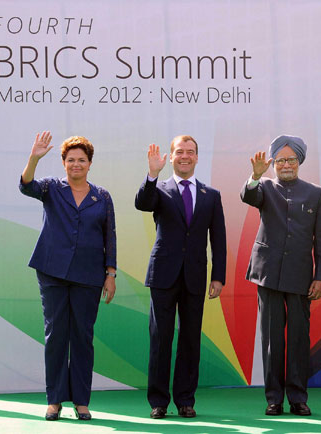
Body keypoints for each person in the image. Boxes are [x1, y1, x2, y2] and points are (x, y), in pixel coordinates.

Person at [19, 131, 117, 421]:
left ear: (90, 164)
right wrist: (34, 158)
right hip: (52, 272)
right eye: (71, 160)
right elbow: (26, 186)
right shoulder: (51, 188)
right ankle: (54, 400)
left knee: (83, 337)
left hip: (89, 275)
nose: (76, 164)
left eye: (82, 160)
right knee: (56, 336)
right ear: (63, 163)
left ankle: (82, 401)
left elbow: (109, 236)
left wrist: (110, 273)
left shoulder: (102, 196)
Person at [135, 135, 226, 419]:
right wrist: (152, 174)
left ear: (197, 157)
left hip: (195, 276)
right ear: (171, 157)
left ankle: (185, 399)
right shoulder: (159, 189)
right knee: (160, 338)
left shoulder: (211, 195)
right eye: (179, 152)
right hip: (163, 274)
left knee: (189, 340)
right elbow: (143, 204)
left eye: (190, 152)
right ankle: (159, 401)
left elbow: (219, 239)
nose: (185, 156)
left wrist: (218, 276)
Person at [241, 135, 321, 416]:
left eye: (291, 159)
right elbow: (248, 195)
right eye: (280, 160)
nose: (286, 165)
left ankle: (298, 397)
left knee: (299, 339)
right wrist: (254, 176)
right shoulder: (264, 187)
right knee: (271, 339)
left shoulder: (315, 193)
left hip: (301, 276)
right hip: (267, 273)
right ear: (273, 164)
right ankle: (273, 398)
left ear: (299, 161)